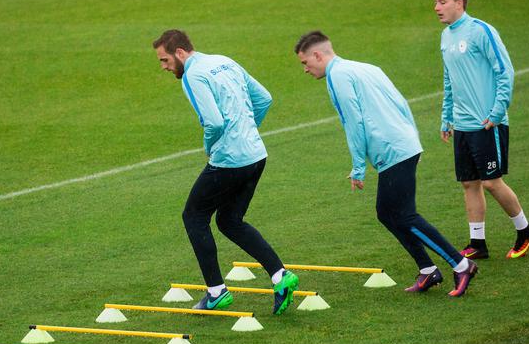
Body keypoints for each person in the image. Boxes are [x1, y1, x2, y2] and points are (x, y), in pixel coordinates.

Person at [294, 30, 478, 297]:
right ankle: (427, 270)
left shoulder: (338, 77)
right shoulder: (365, 68)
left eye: (304, 63)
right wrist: (411, 138)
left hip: (393, 150)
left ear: (318, 55)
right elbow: (401, 102)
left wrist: (358, 167)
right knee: (387, 212)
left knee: (404, 215)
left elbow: (353, 123)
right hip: (403, 144)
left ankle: (461, 264)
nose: (305, 70)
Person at [152, 29, 299, 313]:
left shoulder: (193, 76)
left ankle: (217, 292)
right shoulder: (224, 60)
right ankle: (280, 275)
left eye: (164, 60)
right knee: (230, 220)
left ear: (179, 52)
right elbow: (265, 98)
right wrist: (247, 131)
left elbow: (214, 123)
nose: (164, 66)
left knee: (194, 216)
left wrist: (211, 146)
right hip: (257, 154)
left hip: (229, 160)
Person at [434, 0, 529, 260]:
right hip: (463, 124)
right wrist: (447, 117)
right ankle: (477, 243)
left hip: (486, 123)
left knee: (492, 182)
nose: (436, 7)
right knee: (469, 183)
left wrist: (496, 111)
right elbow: (449, 80)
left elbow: (505, 71)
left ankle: (525, 230)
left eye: (442, 2)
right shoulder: (446, 36)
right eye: (435, 2)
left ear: (459, 3)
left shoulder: (481, 31)